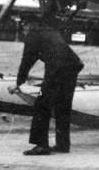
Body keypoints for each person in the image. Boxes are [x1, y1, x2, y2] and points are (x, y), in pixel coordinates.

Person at [8, 16, 84, 155]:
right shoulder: (47, 30)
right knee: (63, 105)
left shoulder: (33, 34)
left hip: (58, 69)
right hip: (73, 66)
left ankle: (41, 145)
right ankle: (62, 144)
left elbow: (26, 61)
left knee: (42, 103)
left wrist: (17, 83)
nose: (23, 32)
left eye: (23, 28)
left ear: (27, 25)